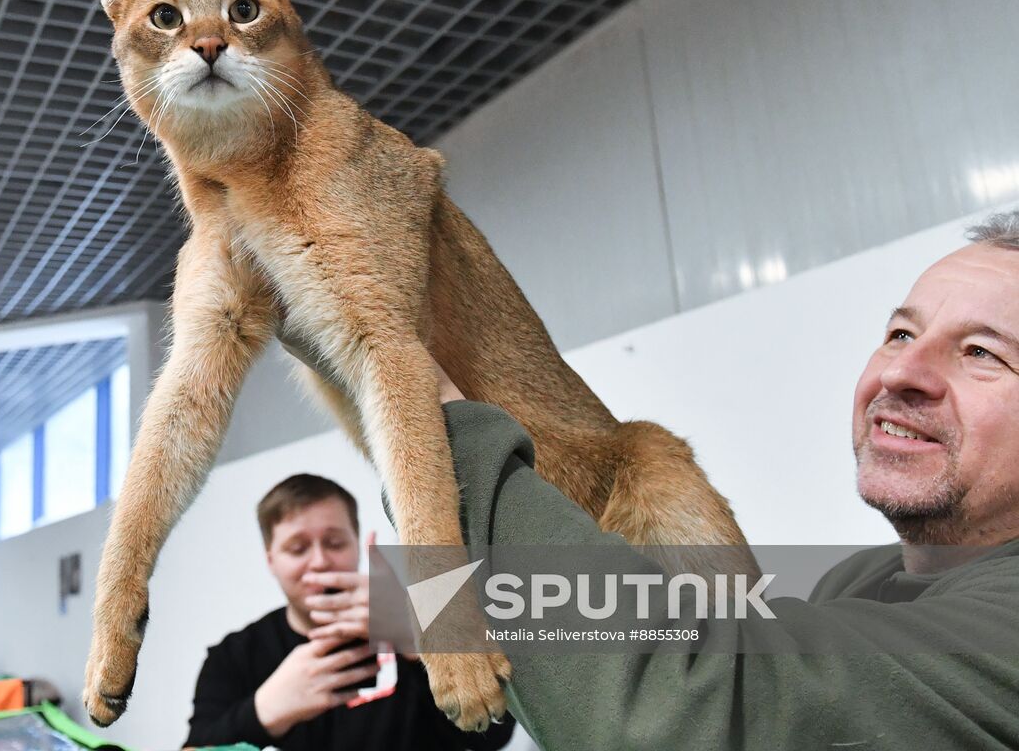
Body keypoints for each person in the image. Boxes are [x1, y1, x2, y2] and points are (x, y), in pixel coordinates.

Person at [425, 210, 1019, 749]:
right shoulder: (863, 578)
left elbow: (668, 716)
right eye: (900, 335)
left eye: (981, 352)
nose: (903, 371)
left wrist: (436, 435)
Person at [184, 474, 515, 750]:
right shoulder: (233, 656)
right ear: (271, 559)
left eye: (335, 542)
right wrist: (263, 712)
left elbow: (495, 735)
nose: (319, 561)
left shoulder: (426, 613)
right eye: (297, 548)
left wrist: (418, 638)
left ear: (357, 543)